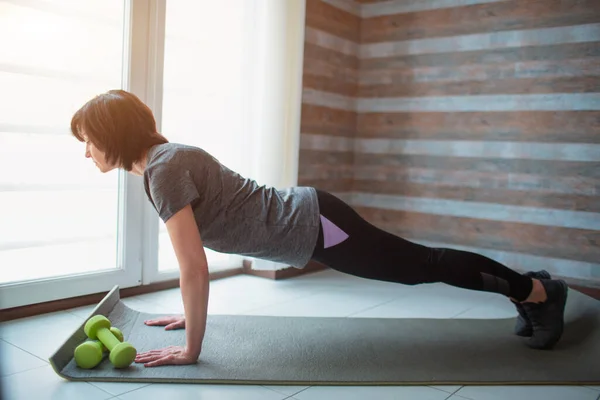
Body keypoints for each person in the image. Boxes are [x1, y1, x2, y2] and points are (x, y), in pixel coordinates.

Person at [70, 89, 569, 368]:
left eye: (88, 139)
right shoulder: (164, 163)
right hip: (311, 220)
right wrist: (187, 317)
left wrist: (192, 349)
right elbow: (197, 260)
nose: (86, 150)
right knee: (420, 266)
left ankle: (539, 291)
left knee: (422, 267)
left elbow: (193, 267)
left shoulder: (163, 168)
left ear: (112, 134)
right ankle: (530, 287)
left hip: (315, 225)